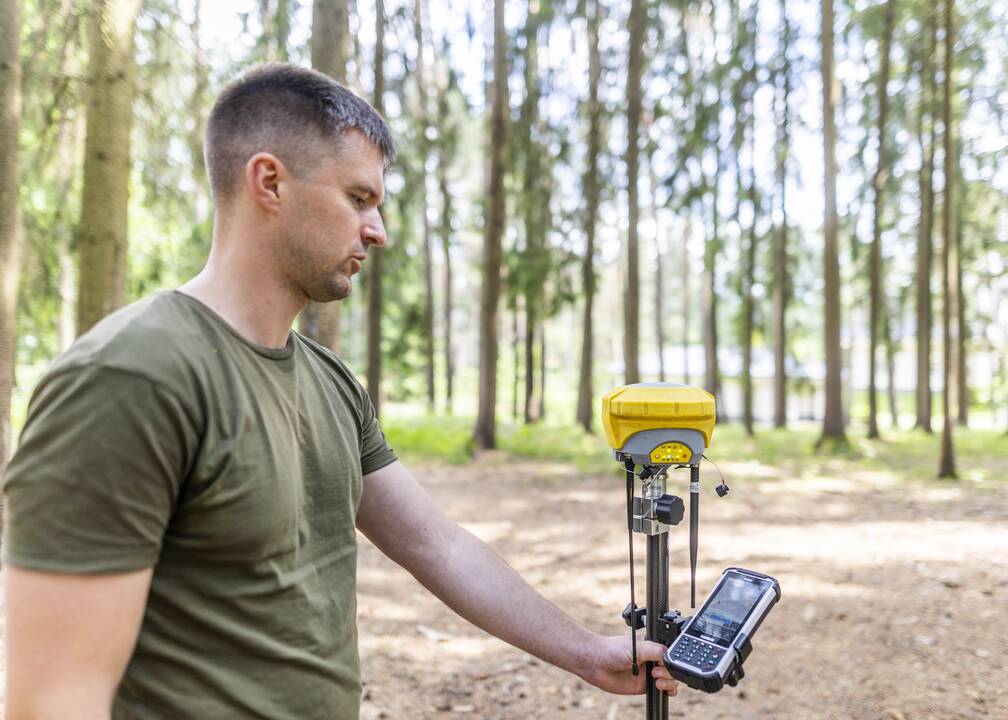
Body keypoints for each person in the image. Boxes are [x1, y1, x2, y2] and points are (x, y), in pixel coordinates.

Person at [1, 63, 678, 719]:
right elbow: (52, 699)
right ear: (269, 181)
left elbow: (435, 544)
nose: (377, 231)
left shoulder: (329, 382)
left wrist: (586, 653)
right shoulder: (130, 378)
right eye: (358, 199)